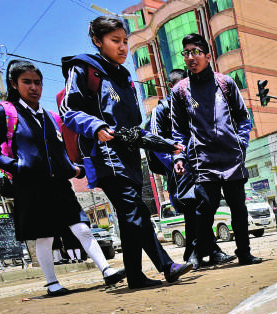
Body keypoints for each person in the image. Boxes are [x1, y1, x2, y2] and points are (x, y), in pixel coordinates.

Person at [60, 16, 191, 288]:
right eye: (115, 41)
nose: (122, 47)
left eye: (124, 41)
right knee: (137, 212)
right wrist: (95, 125)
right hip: (105, 157)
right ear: (98, 41)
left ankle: (135, 276)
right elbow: (69, 111)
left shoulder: (124, 77)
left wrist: (167, 144)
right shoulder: (85, 68)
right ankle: (166, 266)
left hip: (129, 157)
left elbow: (134, 129)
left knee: (129, 217)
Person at [0, 59, 125, 296]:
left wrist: (74, 169)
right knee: (44, 235)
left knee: (82, 226)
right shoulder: (5, 114)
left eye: (38, 82)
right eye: (26, 82)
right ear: (14, 84)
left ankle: (107, 270)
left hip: (59, 183)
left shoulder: (51, 117)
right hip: (30, 185)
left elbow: (60, 155)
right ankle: (51, 283)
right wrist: (16, 167)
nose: (34, 87)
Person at [171, 33, 262, 265]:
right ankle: (199, 252)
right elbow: (178, 129)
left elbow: (243, 117)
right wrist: (179, 156)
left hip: (232, 159)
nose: (191, 57)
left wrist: (241, 144)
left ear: (208, 56)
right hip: (203, 162)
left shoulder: (225, 83)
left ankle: (245, 254)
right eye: (186, 53)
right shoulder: (181, 91)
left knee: (238, 210)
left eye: (196, 52)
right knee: (204, 212)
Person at [149, 69, 235, 269]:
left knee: (204, 207)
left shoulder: (191, 105)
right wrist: (176, 162)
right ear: (172, 86)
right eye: (181, 85)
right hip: (179, 170)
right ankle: (200, 253)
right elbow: (155, 142)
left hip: (200, 165)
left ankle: (201, 253)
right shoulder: (160, 110)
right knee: (192, 209)